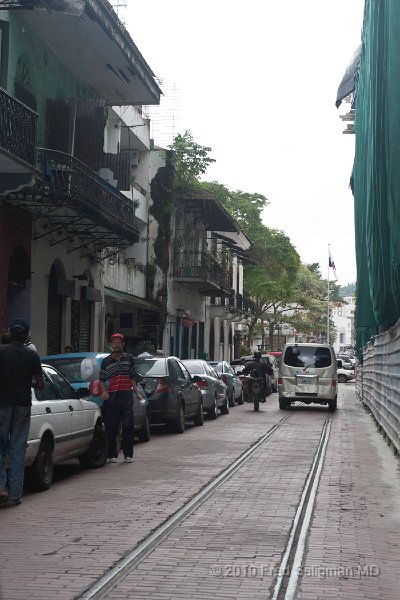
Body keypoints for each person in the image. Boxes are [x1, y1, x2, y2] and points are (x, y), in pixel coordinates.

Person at [0, 318, 44, 508]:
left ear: (10, 333)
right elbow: (40, 384)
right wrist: (27, 382)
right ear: (27, 336)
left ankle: (0, 486)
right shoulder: (31, 355)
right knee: (17, 449)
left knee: (0, 446)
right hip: (23, 405)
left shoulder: (1, 352)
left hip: (2, 404)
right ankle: (15, 495)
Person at [99, 333, 143, 463]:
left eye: (119, 342)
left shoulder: (129, 358)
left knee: (128, 426)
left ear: (123, 344)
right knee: (111, 427)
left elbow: (132, 378)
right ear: (111, 345)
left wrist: (138, 393)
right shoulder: (106, 361)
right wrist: (104, 392)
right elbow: (101, 379)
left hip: (126, 398)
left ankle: (128, 454)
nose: (116, 345)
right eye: (114, 342)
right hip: (112, 399)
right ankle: (112, 455)